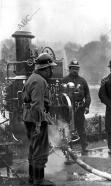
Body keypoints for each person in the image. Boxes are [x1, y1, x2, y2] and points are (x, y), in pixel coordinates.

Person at [22, 53, 57, 186]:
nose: (52, 71)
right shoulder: (39, 81)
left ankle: (32, 178)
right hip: (36, 121)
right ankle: (38, 181)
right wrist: (39, 124)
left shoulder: (33, 78)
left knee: (33, 149)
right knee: (40, 151)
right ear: (45, 68)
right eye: (50, 68)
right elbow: (37, 106)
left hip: (30, 118)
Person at [61, 59, 91, 154]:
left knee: (81, 128)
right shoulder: (64, 80)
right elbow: (60, 96)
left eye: (77, 69)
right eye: (73, 68)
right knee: (67, 129)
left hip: (79, 109)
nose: (75, 70)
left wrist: (87, 106)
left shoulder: (82, 81)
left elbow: (87, 95)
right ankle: (69, 149)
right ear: (69, 69)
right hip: (67, 110)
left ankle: (84, 147)